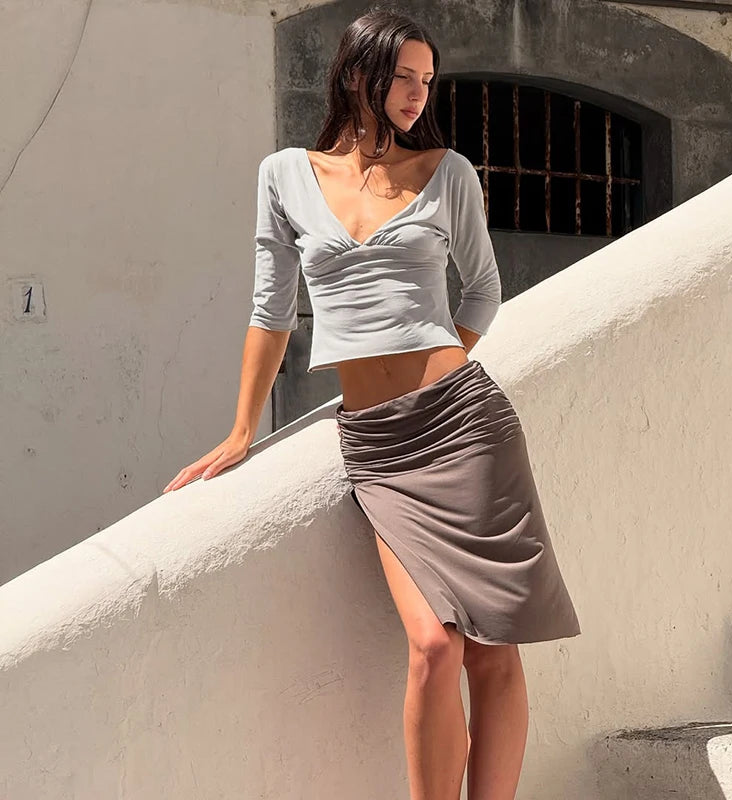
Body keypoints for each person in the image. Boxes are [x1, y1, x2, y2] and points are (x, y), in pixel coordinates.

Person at [163, 7, 580, 799]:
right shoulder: (285, 175)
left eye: (428, 80)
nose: (419, 93)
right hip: (381, 448)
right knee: (433, 645)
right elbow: (271, 312)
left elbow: (484, 290)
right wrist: (242, 429)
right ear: (359, 74)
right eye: (404, 77)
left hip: (463, 425)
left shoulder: (448, 172)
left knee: (493, 650)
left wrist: (435, 370)